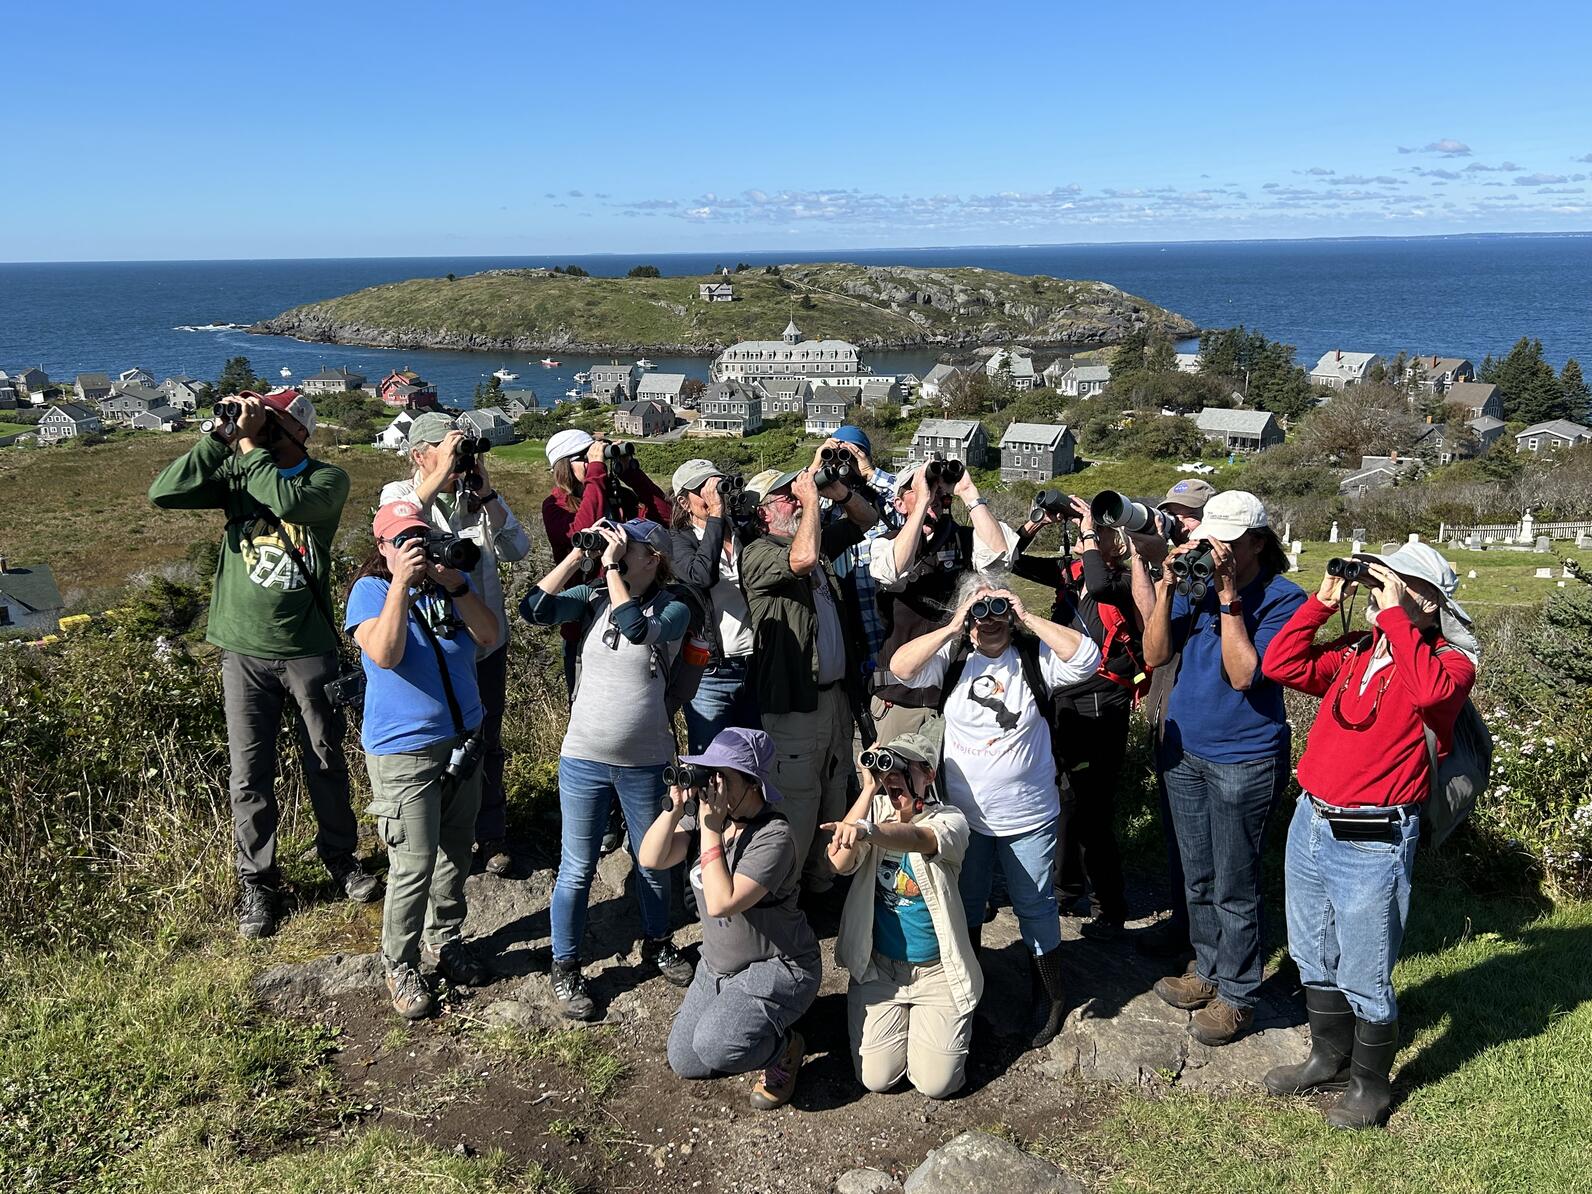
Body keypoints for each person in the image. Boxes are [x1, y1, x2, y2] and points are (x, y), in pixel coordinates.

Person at [1259, 543, 1476, 1129]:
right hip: (1311, 820)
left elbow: (1431, 696)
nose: (1382, 588)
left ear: (1426, 601)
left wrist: (1397, 620)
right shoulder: (1359, 653)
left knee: (1365, 969)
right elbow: (1281, 664)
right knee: (1309, 950)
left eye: (1398, 582)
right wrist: (1322, 603)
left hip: (1374, 838)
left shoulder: (1450, 664)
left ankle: (1370, 1088)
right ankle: (1328, 1057)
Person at [149, 388, 376, 939]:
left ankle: (340, 860)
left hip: (307, 647)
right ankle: (259, 880)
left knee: (324, 760)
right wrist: (217, 437)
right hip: (243, 650)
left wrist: (248, 446)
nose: (257, 426)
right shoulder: (238, 471)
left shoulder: (328, 480)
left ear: (298, 431)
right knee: (249, 773)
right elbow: (164, 493)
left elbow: (290, 505)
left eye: (270, 419)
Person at [887, 578, 1101, 1048]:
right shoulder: (953, 660)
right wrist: (954, 624)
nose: (990, 616)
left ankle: (1050, 995)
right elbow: (900, 667)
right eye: (980, 607)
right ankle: (970, 990)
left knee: (1035, 907)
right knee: (967, 905)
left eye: (997, 605)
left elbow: (1088, 658)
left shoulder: (1032, 658)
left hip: (1028, 815)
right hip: (965, 821)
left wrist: (1027, 617)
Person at [1141, 491, 1306, 1047]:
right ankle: (1206, 970)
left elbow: (1244, 675)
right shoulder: (1193, 585)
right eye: (1209, 541)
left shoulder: (1285, 599)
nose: (1215, 553)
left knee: (1236, 881)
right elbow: (1156, 654)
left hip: (1245, 756)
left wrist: (1230, 598)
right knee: (1198, 874)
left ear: (1258, 542)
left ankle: (1238, 994)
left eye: (1228, 544)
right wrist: (1166, 589)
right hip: (1185, 753)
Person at [521, 517, 695, 1019]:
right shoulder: (594, 596)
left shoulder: (675, 606)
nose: (618, 552)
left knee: (653, 860)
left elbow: (637, 631)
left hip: (644, 762)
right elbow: (533, 608)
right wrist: (579, 557)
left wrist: (610, 568)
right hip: (582, 759)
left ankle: (658, 940)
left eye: (631, 548)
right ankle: (566, 964)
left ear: (653, 558)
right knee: (575, 869)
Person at [346, 500, 501, 1019]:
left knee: (457, 847)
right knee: (412, 862)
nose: (413, 547)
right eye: (401, 541)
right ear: (382, 549)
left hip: (465, 737)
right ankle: (400, 962)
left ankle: (446, 938)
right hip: (404, 750)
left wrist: (455, 583)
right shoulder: (368, 592)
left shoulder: (447, 587)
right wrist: (398, 586)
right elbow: (385, 654)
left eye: (420, 537)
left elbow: (489, 636)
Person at [640, 727, 822, 1110]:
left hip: (778, 964)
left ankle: (785, 1050)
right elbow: (651, 858)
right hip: (719, 964)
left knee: (715, 1046)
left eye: (724, 775)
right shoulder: (713, 819)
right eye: (710, 773)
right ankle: (743, 1026)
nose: (714, 784)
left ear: (753, 784)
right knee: (685, 1059)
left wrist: (709, 828)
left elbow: (723, 901)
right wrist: (674, 808)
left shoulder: (774, 836)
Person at [381, 412, 531, 878]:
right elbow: (396, 526)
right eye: (444, 451)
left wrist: (486, 495)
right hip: (437, 651)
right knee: (440, 744)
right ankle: (447, 839)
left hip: (486, 643)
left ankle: (491, 833)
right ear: (418, 456)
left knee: (487, 740)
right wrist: (440, 476)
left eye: (458, 451)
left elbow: (518, 549)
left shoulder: (474, 499)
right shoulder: (399, 496)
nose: (455, 462)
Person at [1011, 494, 1155, 941]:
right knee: (1064, 799)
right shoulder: (1069, 574)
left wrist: (1091, 530)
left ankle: (1109, 904)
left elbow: (1097, 579)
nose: (1088, 535)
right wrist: (1039, 521)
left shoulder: (1120, 582)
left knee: (1093, 806)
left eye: (1100, 532)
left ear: (1121, 543)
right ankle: (1067, 888)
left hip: (1102, 699)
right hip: (1063, 697)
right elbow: (1008, 560)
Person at [740, 461, 880, 891]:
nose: (796, 499)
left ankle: (822, 883)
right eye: (786, 497)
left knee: (834, 789)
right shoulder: (759, 554)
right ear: (763, 512)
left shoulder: (813, 543)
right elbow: (801, 558)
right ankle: (785, 892)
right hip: (795, 702)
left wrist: (837, 492)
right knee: (798, 804)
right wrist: (813, 504)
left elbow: (868, 519)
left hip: (833, 697)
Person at [826, 723, 982, 1099]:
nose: (892, 776)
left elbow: (919, 839)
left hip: (936, 973)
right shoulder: (874, 810)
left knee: (936, 1084)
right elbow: (839, 863)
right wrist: (867, 790)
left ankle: (937, 1029)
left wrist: (869, 831)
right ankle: (911, 1028)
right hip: (880, 969)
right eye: (887, 768)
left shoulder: (950, 820)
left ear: (928, 774)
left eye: (903, 768)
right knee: (876, 1079)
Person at [868, 460, 1019, 744]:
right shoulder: (885, 543)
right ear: (900, 503)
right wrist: (923, 499)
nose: (933, 494)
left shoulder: (964, 540)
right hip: (901, 696)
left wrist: (969, 492)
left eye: (938, 491)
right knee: (897, 785)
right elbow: (891, 571)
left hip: (956, 695)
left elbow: (1001, 557)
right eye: (921, 488)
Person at [1137, 479, 1219, 961]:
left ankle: (1208, 943)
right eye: (1171, 514)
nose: (1179, 523)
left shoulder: (1215, 576)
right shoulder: (1177, 570)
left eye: (1189, 515)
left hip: (1206, 729)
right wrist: (1145, 561)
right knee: (1178, 837)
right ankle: (1182, 923)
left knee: (1211, 850)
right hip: (1169, 712)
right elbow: (1153, 629)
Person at [540, 427, 673, 696]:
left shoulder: (618, 497)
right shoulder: (555, 505)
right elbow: (581, 531)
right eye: (586, 457)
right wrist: (597, 473)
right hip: (585, 622)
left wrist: (631, 474)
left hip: (634, 611)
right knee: (585, 703)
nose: (593, 462)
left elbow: (665, 518)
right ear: (565, 465)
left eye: (595, 454)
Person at [668, 458, 759, 754]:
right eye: (703, 490)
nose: (713, 495)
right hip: (711, 673)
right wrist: (716, 518)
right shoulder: (679, 542)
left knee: (754, 764)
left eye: (716, 485)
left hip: (756, 664)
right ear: (684, 501)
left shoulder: (745, 532)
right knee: (711, 765)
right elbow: (700, 576)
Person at [822, 426, 900, 680]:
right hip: (839, 625)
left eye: (851, 456)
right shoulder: (823, 509)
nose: (843, 464)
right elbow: (796, 507)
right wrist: (819, 469)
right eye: (835, 456)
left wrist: (869, 473)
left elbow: (907, 499)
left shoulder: (880, 504)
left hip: (880, 621)